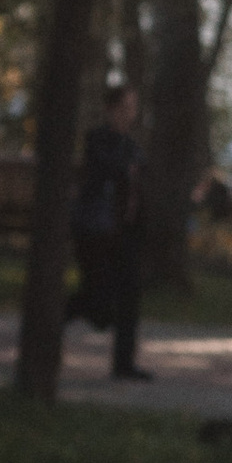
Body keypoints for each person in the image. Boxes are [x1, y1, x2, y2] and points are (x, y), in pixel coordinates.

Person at [69, 82, 153, 379]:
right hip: (98, 234)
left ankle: (124, 363)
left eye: (132, 108)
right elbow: (103, 172)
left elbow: (140, 183)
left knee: (129, 296)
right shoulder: (98, 140)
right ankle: (60, 313)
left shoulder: (132, 147)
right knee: (99, 302)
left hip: (125, 232)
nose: (129, 115)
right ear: (111, 109)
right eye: (124, 108)